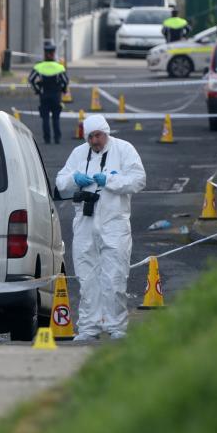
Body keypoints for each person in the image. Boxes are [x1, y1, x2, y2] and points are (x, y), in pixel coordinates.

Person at [55, 114, 146, 341]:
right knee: (87, 278)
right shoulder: (78, 154)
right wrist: (75, 179)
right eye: (90, 137)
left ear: (106, 133)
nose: (95, 141)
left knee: (114, 276)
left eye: (98, 136)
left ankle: (116, 327)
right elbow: (61, 181)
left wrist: (110, 181)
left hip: (114, 223)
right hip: (85, 223)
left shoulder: (124, 150)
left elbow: (138, 180)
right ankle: (89, 327)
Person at [28, 41, 70, 144]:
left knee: (45, 118)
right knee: (56, 118)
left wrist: (37, 90)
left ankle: (47, 139)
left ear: (45, 53)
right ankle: (57, 138)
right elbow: (65, 80)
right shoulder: (59, 67)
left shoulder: (39, 67)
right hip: (56, 95)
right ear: (54, 53)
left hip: (44, 95)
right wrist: (63, 89)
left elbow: (31, 79)